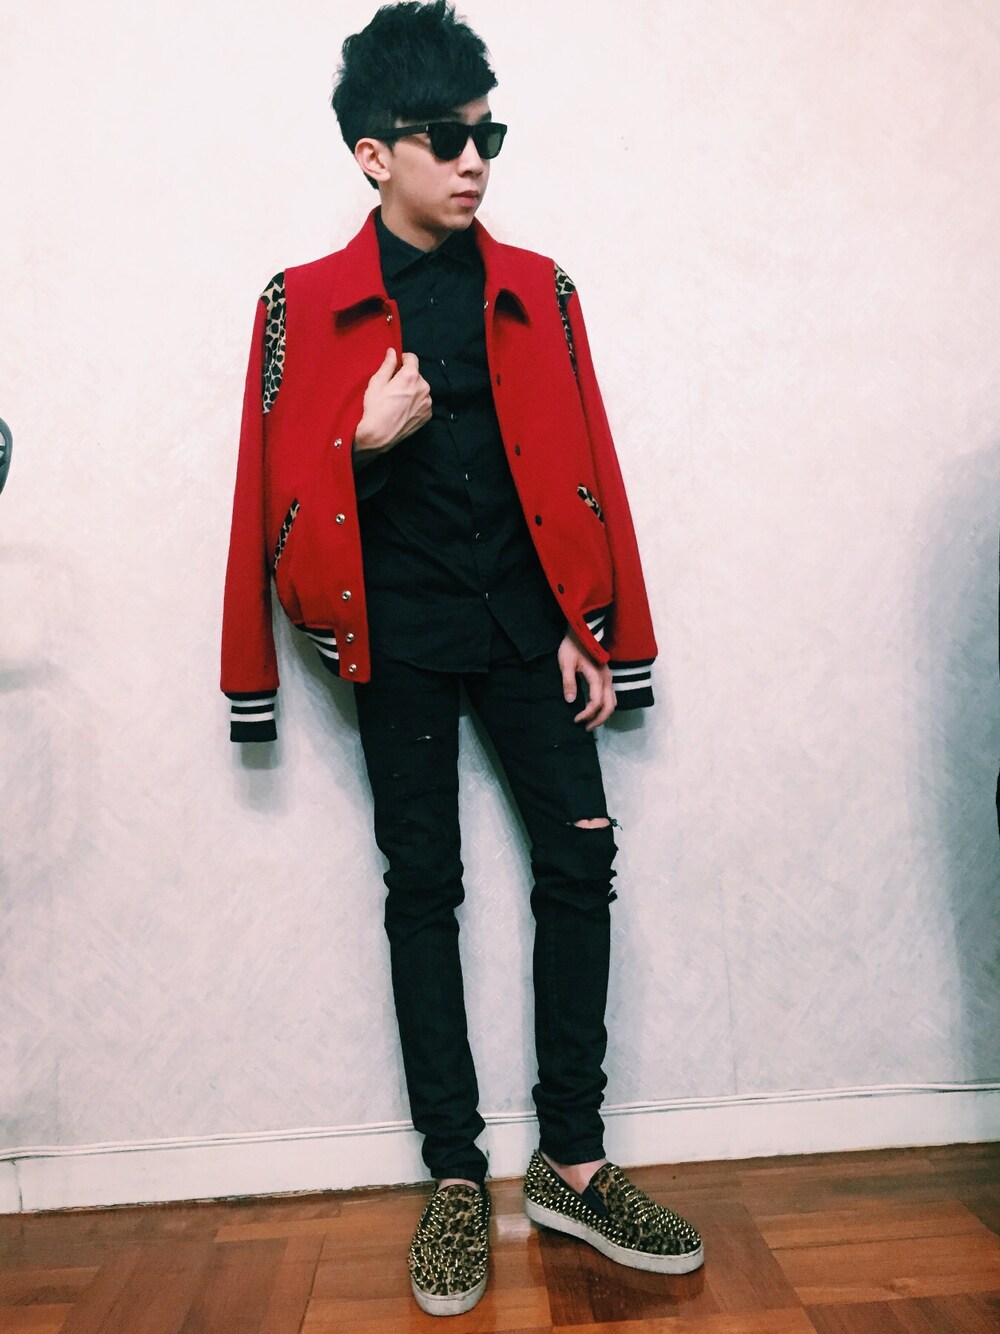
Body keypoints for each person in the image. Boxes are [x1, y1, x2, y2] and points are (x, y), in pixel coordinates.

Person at [221, 0, 703, 1315]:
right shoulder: (296, 304)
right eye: (447, 136)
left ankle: (574, 1164)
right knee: (422, 886)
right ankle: (453, 1176)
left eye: (489, 132)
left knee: (581, 863)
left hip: (528, 631)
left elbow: (586, 464)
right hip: (397, 638)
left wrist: (596, 627)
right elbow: (267, 506)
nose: (475, 158)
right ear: (375, 155)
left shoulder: (541, 287)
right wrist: (360, 444)